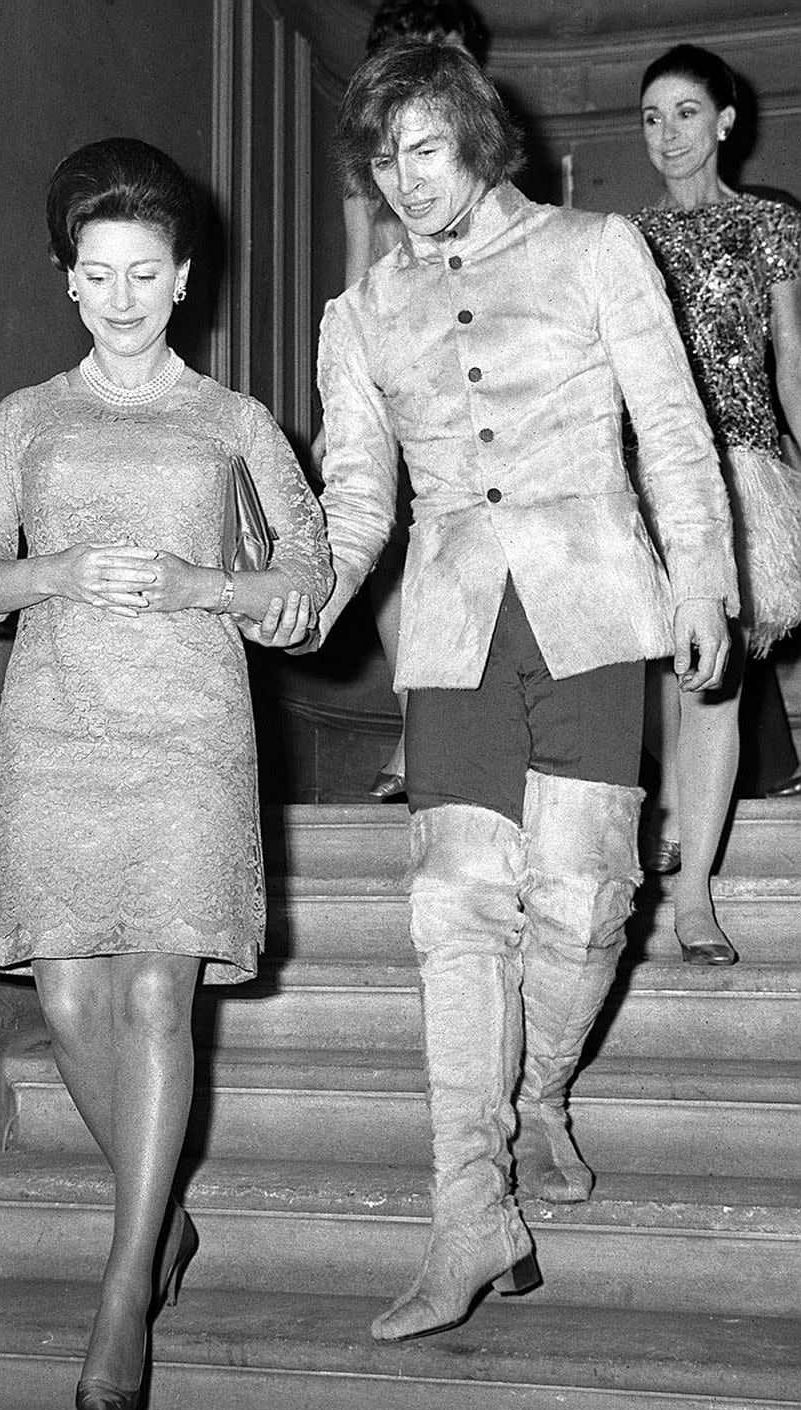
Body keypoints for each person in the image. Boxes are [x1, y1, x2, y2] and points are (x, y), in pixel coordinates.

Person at [313, 41, 737, 1343]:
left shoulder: (599, 250)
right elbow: (359, 489)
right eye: (385, 163)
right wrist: (326, 588)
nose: (407, 182)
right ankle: (466, 1213)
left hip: (595, 602)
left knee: (590, 903)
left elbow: (672, 425)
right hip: (454, 629)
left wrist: (705, 579)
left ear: (476, 137)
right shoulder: (361, 311)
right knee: (450, 913)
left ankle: (542, 1086)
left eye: (425, 149)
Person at [0, 137, 331, 1410]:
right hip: (59, 723)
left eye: (142, 273)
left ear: (182, 280)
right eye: (96, 274)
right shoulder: (26, 418)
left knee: (158, 984)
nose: (119, 297)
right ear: (70, 282)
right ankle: (165, 1218)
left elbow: (306, 579)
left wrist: (202, 586)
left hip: (188, 732)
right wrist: (53, 572)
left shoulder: (231, 423)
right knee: (65, 995)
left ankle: (122, 1288)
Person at [633, 45, 801, 962]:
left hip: (746, 474)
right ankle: (660, 830)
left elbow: (792, 362)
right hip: (651, 477)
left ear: (725, 121)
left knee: (711, 682)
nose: (668, 134)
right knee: (662, 669)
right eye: (653, 117)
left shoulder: (771, 225)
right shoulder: (630, 236)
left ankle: (693, 893)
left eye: (687, 112)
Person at [312, 1, 489, 800]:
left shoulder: (472, 154)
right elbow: (356, 281)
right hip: (397, 374)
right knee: (386, 559)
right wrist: (342, 407)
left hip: (477, 383)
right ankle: (419, 726)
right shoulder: (367, 169)